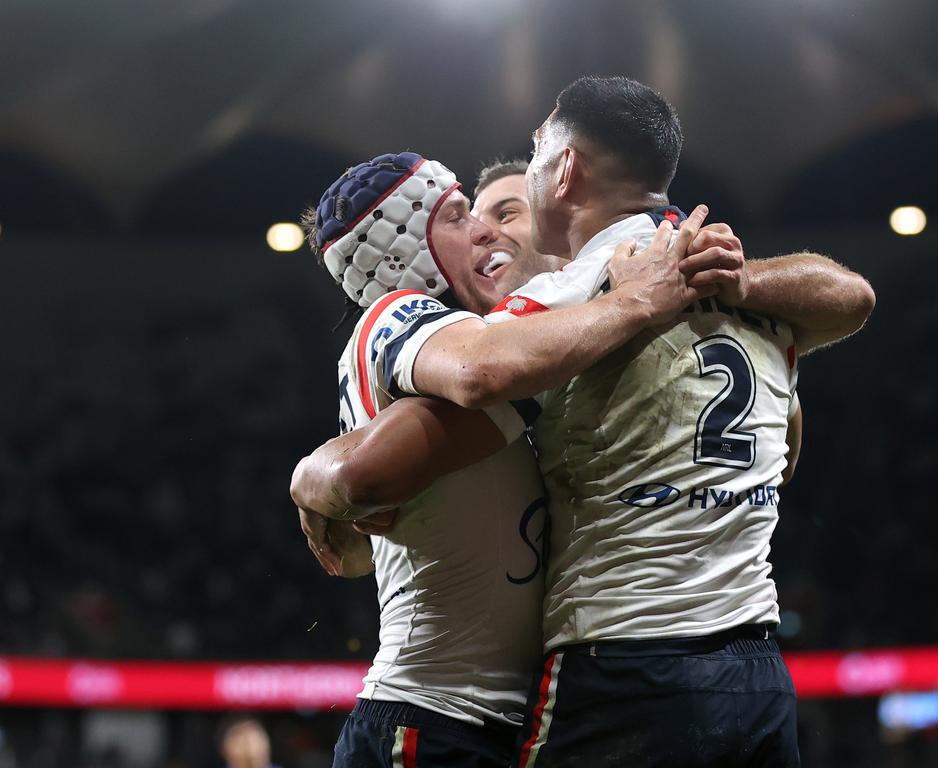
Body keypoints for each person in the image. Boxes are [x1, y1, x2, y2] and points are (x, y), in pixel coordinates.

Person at [293, 145, 871, 767]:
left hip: (521, 701)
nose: (489, 231)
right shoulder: (436, 328)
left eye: (509, 212)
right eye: (465, 216)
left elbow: (792, 419)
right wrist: (313, 479)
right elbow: (369, 471)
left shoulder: (558, 352)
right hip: (443, 712)